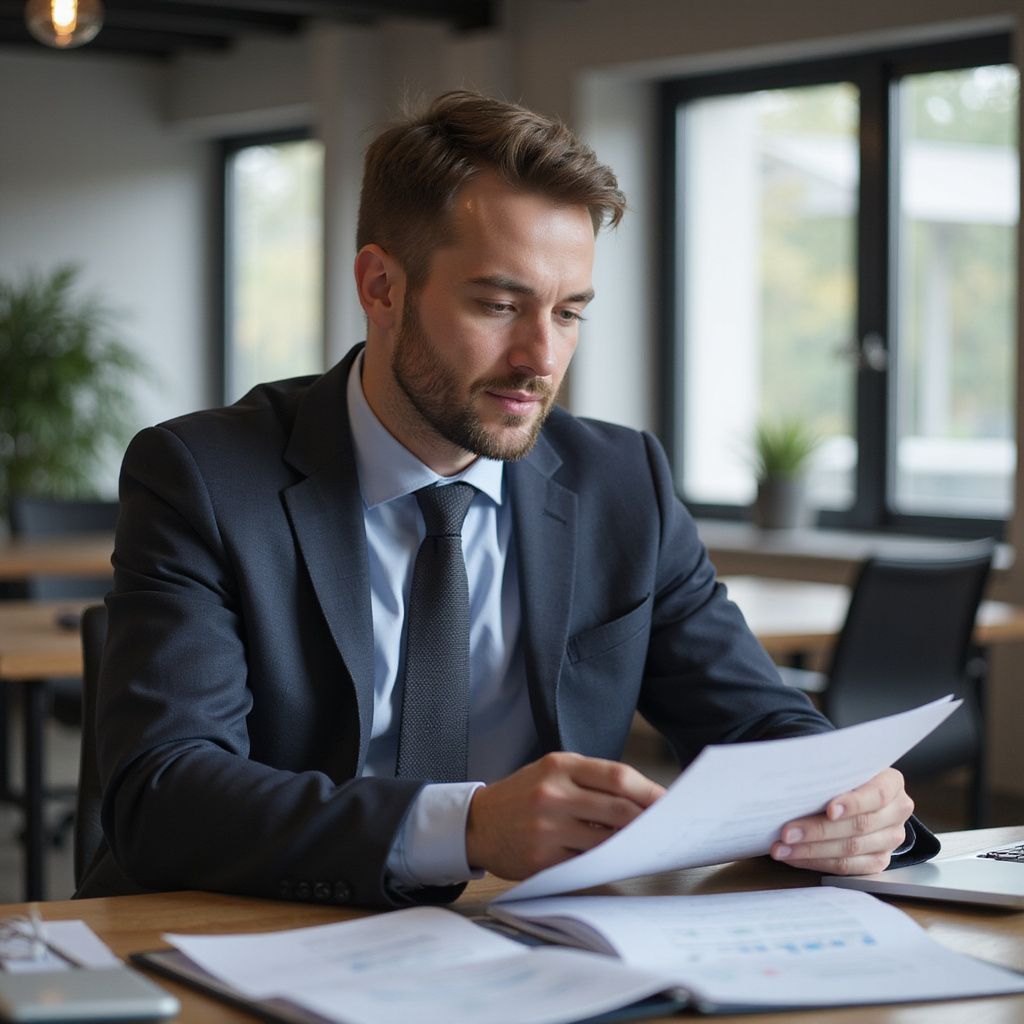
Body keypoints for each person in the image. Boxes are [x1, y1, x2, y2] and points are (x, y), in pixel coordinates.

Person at [80, 91, 929, 906]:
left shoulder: (620, 480)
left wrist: (851, 802)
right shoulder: (202, 474)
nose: (541, 358)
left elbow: (755, 720)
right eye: (499, 304)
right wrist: (467, 827)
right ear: (381, 287)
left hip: (538, 941)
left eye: (569, 313)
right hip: (253, 931)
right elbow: (162, 793)